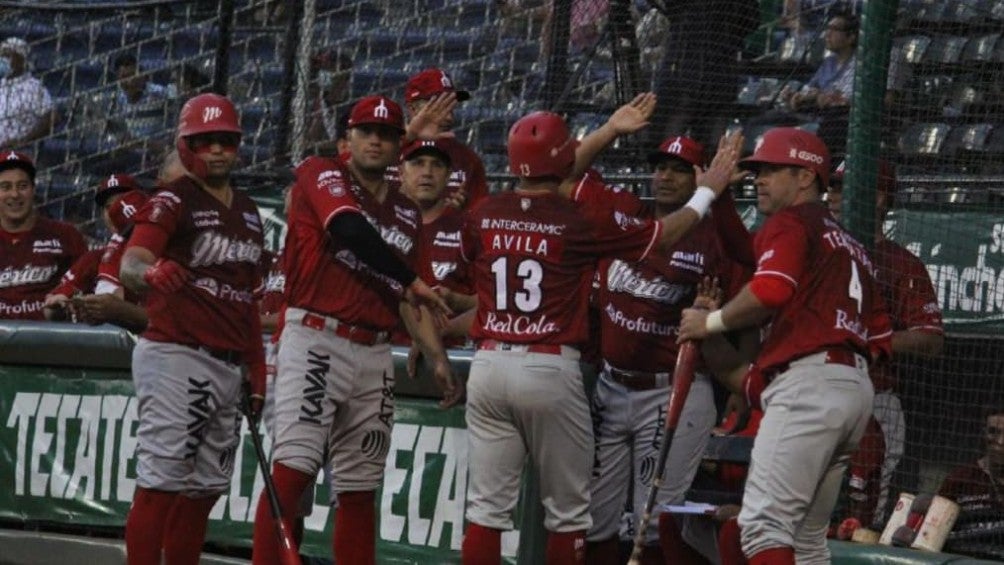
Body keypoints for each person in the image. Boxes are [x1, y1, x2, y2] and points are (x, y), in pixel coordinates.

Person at [458, 111, 741, 564]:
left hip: (488, 362)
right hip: (549, 365)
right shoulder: (579, 219)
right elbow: (662, 235)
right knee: (569, 513)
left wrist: (606, 132)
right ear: (564, 157)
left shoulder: (482, 212)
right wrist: (708, 190)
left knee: (485, 511)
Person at [250, 95, 457, 565]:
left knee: (360, 487)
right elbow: (347, 228)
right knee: (293, 473)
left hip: (374, 351)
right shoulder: (321, 172)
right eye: (367, 132)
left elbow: (408, 298)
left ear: (399, 145)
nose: (376, 141)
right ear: (347, 138)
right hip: (317, 337)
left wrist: (437, 356)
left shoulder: (406, 211)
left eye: (386, 134)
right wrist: (412, 281)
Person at [678, 127, 893, 564]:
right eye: (758, 170)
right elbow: (880, 339)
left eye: (773, 170)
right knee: (807, 541)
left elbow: (771, 290)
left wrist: (709, 322)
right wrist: (720, 198)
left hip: (810, 384)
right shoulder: (849, 244)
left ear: (806, 177)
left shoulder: (792, 223)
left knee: (762, 527)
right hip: (852, 388)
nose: (759, 179)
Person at [118, 93, 266, 565]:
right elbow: (130, 263)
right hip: (178, 353)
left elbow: (246, 296)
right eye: (205, 141)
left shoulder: (248, 210)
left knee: (206, 489)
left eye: (226, 140)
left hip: (229, 360)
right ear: (186, 145)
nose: (217, 150)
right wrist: (152, 272)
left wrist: (257, 366)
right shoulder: (172, 198)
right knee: (161, 483)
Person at [586, 135, 749, 564]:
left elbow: (749, 308)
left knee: (656, 520)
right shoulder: (628, 219)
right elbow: (571, 175)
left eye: (679, 169)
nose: (665, 177)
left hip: (672, 389)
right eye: (661, 167)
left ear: (699, 178)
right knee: (594, 517)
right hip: (610, 385)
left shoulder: (713, 240)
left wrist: (735, 379)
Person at [827, 159, 944, 527]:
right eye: (833, 186)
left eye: (845, 187)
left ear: (878, 198)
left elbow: (930, 338)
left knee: (863, 516)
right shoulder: (816, 250)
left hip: (875, 398)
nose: (834, 196)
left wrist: (868, 339)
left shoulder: (900, 263)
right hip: (816, 391)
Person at [43, 173, 149, 331]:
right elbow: (50, 310)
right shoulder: (95, 258)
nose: (117, 212)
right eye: (108, 207)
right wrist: (60, 304)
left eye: (123, 203)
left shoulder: (170, 248)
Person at [0, 151, 86, 320]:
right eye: (5, 187)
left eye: (22, 186)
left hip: (49, 334)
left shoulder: (66, 235)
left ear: (33, 190)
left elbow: (87, 286)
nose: (15, 194)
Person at [401, 67, 489, 208]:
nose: (449, 117)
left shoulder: (468, 160)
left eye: (451, 108)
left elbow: (480, 213)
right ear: (413, 110)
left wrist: (461, 215)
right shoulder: (386, 151)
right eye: (441, 108)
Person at [938, 403, 1004, 561]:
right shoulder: (960, 479)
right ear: (984, 433)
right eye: (993, 432)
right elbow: (934, 531)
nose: (1000, 441)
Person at [0, 37, 58, 148]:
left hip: (18, 151)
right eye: (1, 55)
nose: (2, 60)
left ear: (21, 60)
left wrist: (23, 140)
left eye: (7, 56)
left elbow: (52, 117)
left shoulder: (33, 87)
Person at [303, 48, 353, 157]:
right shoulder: (315, 104)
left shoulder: (350, 108)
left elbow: (350, 145)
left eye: (328, 70)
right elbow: (307, 141)